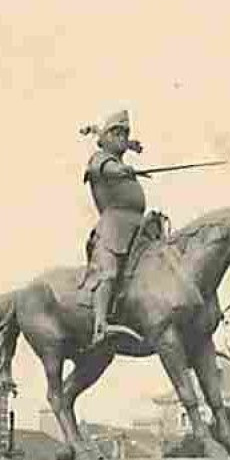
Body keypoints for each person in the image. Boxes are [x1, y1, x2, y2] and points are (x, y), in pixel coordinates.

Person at [80, 109, 147, 345]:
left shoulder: (119, 158)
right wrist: (121, 169)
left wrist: (130, 148)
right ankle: (100, 325)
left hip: (139, 227)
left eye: (125, 133)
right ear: (106, 137)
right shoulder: (100, 158)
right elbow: (105, 168)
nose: (122, 137)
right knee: (108, 272)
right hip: (113, 229)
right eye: (117, 132)